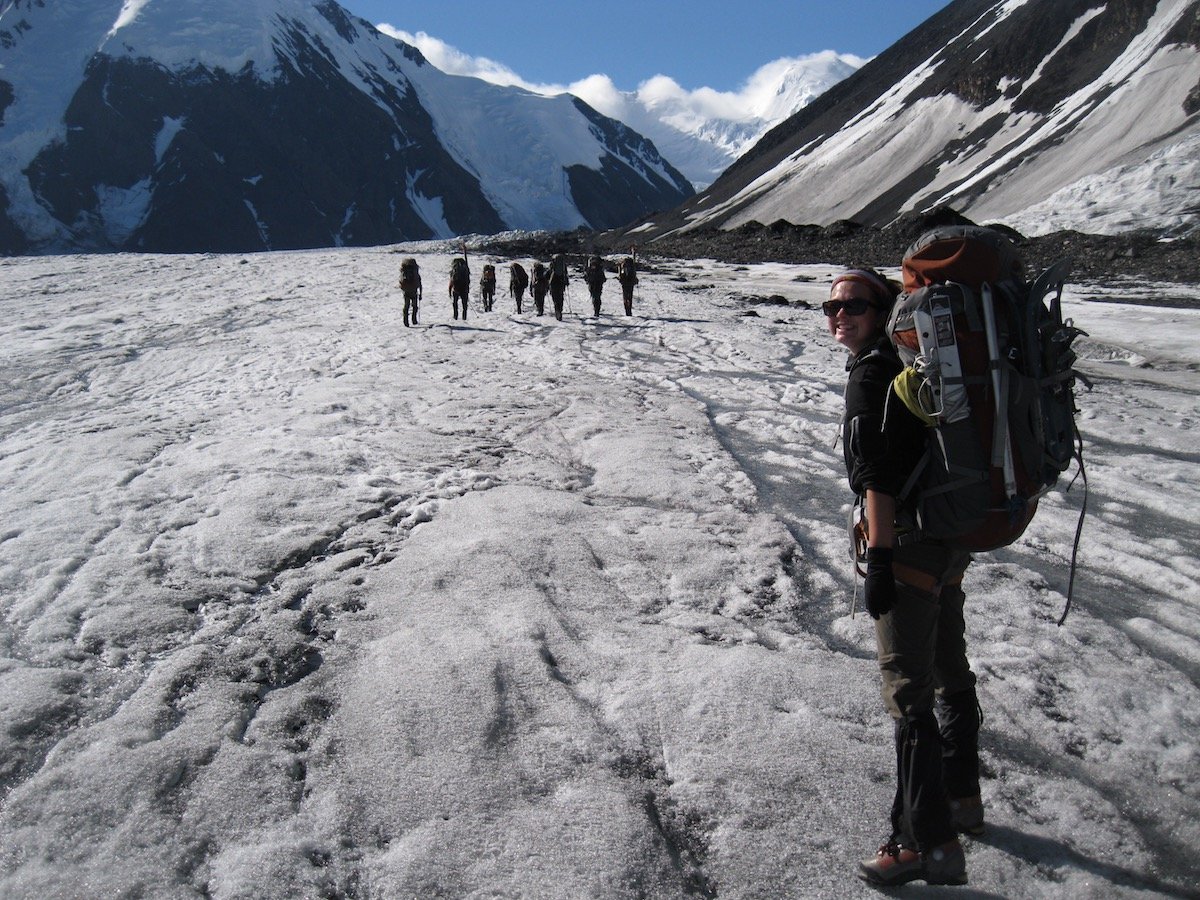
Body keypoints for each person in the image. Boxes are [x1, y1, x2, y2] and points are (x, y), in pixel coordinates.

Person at [828, 266, 980, 888]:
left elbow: (876, 478)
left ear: (883, 307)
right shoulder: (912, 364)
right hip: (948, 542)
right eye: (832, 309)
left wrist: (882, 560)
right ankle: (964, 798)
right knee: (951, 669)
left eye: (854, 306)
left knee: (907, 695)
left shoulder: (872, 376)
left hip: (910, 545)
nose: (840, 317)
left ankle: (924, 842)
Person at [398, 258, 421, 327]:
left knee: (406, 306)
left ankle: (406, 322)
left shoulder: (404, 272)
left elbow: (401, 281)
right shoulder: (415, 272)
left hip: (406, 291)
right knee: (414, 306)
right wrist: (420, 294)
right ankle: (414, 320)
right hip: (413, 291)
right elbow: (419, 282)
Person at [548, 253, 568, 321]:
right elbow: (566, 274)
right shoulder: (563, 265)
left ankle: (557, 312)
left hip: (553, 283)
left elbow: (548, 273)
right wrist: (566, 282)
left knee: (555, 298)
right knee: (560, 297)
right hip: (561, 283)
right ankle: (560, 310)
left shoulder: (552, 264)